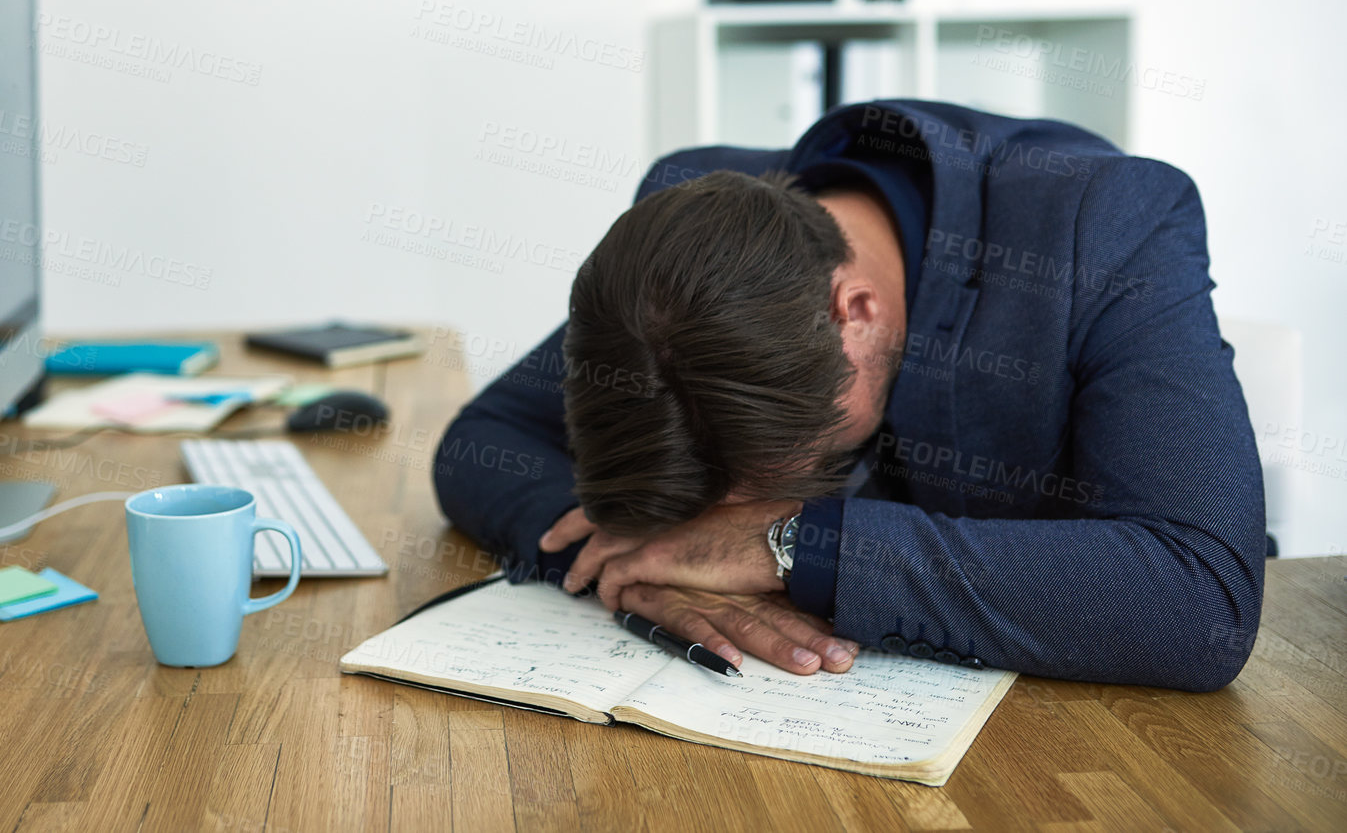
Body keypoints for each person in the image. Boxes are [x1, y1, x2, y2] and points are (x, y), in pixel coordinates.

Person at [432, 100, 1264, 692]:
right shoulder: (687, 240)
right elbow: (487, 437)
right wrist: (635, 562)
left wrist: (792, 541)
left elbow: (1199, 599)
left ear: (853, 314)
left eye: (772, 468)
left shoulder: (1113, 223)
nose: (714, 520)